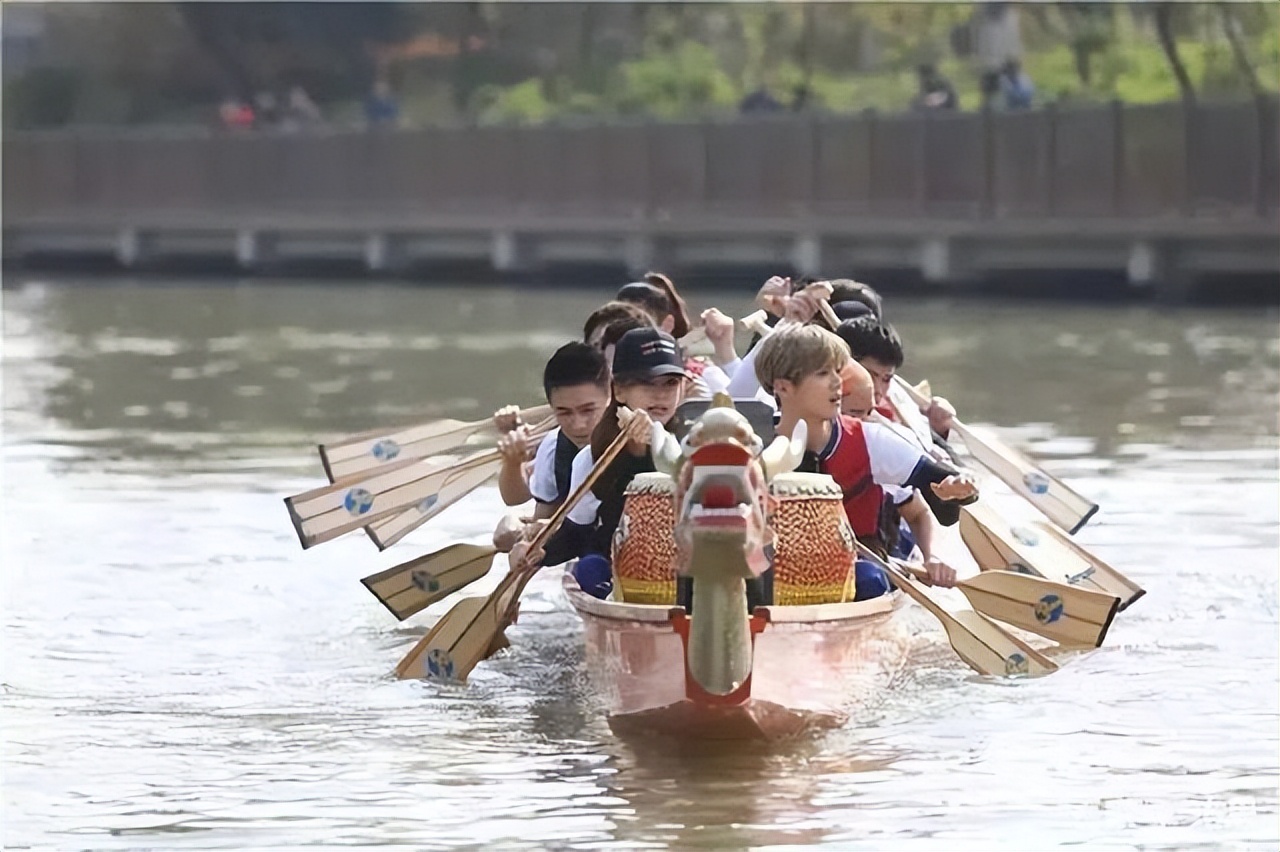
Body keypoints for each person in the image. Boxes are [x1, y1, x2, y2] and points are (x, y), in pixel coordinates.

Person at [753, 325, 977, 599]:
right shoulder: (749, 443)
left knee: (868, 579)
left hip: (854, 573)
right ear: (783, 387)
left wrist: (957, 489)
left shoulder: (871, 440)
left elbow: (938, 485)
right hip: (770, 573)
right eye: (823, 373)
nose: (838, 383)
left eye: (837, 371)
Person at [515, 328, 689, 587]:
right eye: (646, 382)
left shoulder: (695, 443)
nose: (660, 394)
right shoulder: (592, 458)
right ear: (618, 391)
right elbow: (575, 535)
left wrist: (656, 437)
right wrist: (537, 551)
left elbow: (685, 473)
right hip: (619, 576)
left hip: (689, 569)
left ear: (683, 388)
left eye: (670, 383)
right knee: (589, 567)